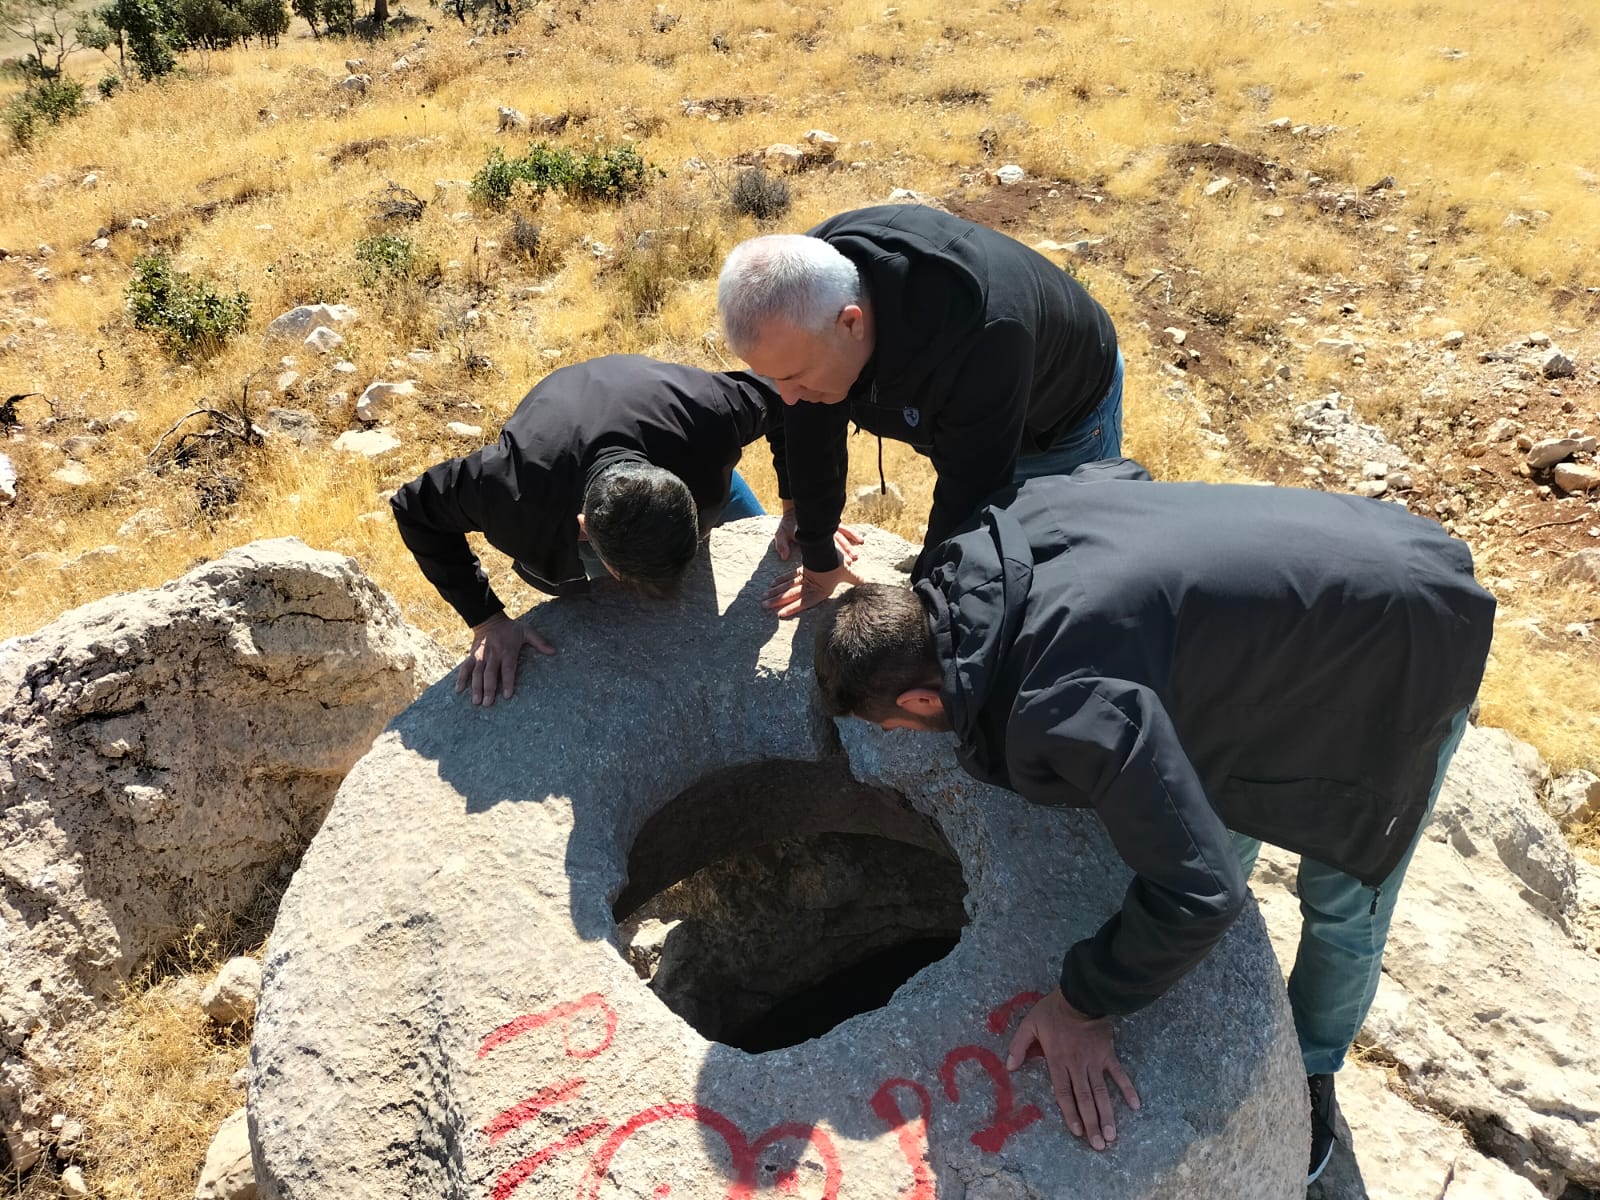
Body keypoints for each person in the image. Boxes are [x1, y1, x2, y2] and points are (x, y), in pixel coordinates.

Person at [811, 460, 1495, 1184]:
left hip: (1403, 649)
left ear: (921, 701)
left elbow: (1202, 894)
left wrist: (1081, 1005)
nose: (901, 738)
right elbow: (1121, 475)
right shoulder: (1005, 533)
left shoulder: (1064, 702)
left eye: (890, 726)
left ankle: (1313, 1066)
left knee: (1347, 899)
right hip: (1358, 553)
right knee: (1205, 820)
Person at [717, 203, 1123, 617]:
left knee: (1069, 570)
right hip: (976, 401)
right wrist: (820, 556)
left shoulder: (980, 334)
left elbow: (970, 500)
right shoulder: (806, 290)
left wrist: (922, 614)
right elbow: (811, 433)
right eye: (774, 379)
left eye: (796, 376)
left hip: (1064, 416)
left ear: (852, 324)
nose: (786, 398)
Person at [391, 355, 814, 705]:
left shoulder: (711, 416)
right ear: (584, 530)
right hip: (560, 440)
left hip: (666, 419)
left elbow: (791, 397)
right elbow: (414, 508)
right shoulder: (509, 490)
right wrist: (486, 621)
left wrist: (797, 509)